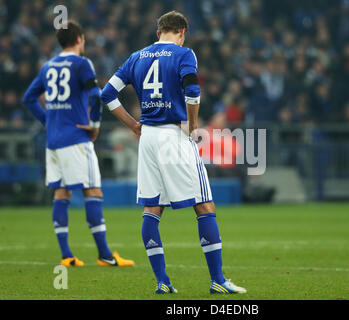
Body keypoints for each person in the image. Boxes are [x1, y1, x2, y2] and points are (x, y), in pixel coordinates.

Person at [101, 11, 246, 294]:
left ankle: (162, 281)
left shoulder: (136, 57)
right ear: (182, 32)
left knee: (152, 209)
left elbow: (106, 94)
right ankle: (217, 280)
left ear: (158, 33)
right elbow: (193, 92)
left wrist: (133, 125)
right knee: (204, 205)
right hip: (174, 134)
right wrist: (192, 125)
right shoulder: (184, 54)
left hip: (148, 139)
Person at [22, 21, 134, 267]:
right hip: (75, 139)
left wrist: (48, 121)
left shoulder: (48, 66)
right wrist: (94, 125)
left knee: (61, 192)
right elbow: (95, 95)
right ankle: (104, 255)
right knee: (93, 190)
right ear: (80, 39)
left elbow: (28, 98)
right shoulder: (83, 64)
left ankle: (66, 255)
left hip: (53, 142)